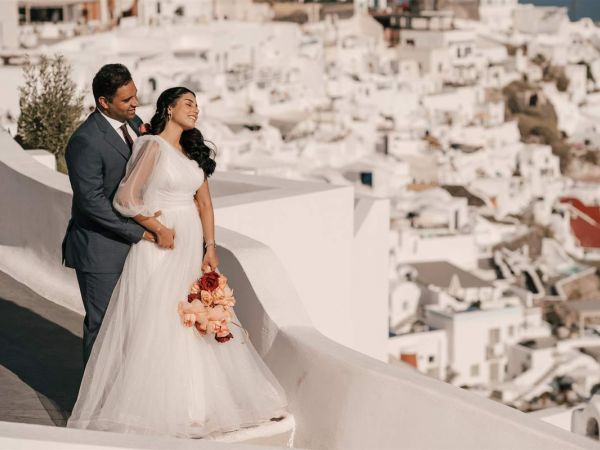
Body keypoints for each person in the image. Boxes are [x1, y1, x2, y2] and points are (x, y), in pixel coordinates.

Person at [67, 86, 288, 438]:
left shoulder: (192, 152)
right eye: (188, 103)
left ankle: (195, 404)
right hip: (160, 245)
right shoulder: (152, 146)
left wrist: (210, 246)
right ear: (169, 109)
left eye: (198, 105)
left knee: (192, 321)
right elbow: (126, 199)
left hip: (189, 246)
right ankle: (158, 406)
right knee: (159, 322)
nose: (195, 110)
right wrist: (155, 228)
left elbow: (204, 204)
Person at [62, 64, 159, 364]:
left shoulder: (135, 122)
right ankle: (93, 405)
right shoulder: (85, 141)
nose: (136, 104)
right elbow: (91, 202)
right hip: (99, 249)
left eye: (135, 96)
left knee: (133, 327)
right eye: (127, 99)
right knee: (103, 328)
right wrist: (139, 231)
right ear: (104, 102)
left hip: (133, 248)